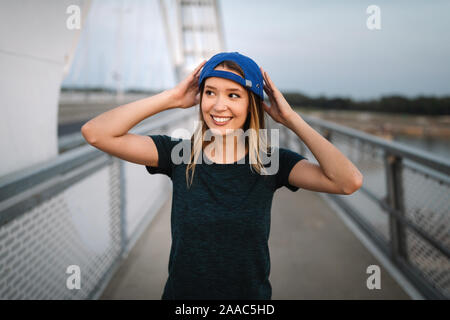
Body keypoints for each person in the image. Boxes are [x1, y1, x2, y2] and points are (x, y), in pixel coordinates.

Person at [81, 51, 363, 300]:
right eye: (210, 92)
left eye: (233, 95)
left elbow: (347, 181)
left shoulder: (270, 162)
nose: (218, 106)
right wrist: (171, 98)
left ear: (251, 103)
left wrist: (290, 119)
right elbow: (96, 133)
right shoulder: (179, 154)